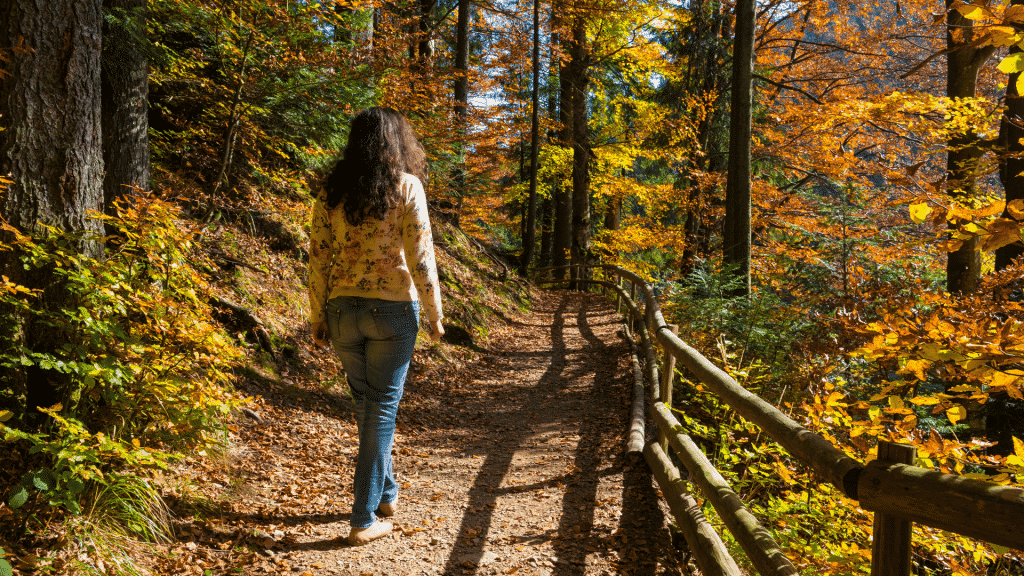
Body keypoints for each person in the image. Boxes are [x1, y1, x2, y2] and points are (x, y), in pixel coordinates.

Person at [308, 107, 444, 546]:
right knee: (381, 407)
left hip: (343, 311)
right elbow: (421, 255)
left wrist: (315, 315)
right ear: (397, 143)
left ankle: (385, 493)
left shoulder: (332, 191)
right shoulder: (407, 186)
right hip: (391, 312)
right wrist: (436, 313)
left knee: (368, 406)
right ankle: (363, 519)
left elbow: (317, 255)